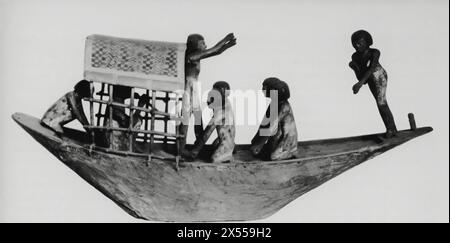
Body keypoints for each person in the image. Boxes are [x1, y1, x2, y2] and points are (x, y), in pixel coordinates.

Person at [179, 33, 237, 154]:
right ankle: (181, 147)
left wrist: (226, 46)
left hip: (194, 88)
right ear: (195, 45)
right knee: (186, 118)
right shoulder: (192, 56)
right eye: (202, 43)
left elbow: (215, 52)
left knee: (198, 118)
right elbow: (213, 50)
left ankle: (197, 145)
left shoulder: (196, 56)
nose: (205, 45)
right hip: (188, 89)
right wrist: (225, 39)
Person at [349, 30, 398, 138]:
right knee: (380, 103)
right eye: (354, 43)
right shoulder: (355, 56)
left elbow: (371, 69)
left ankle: (391, 129)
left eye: (360, 43)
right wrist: (355, 68)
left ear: (367, 42)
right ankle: (392, 128)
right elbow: (363, 77)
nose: (357, 45)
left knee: (381, 102)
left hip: (379, 76)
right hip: (368, 79)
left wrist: (360, 84)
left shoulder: (374, 52)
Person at [182, 81, 235, 163]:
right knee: (212, 146)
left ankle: (228, 156)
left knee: (214, 159)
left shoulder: (221, 112)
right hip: (225, 139)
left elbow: (207, 133)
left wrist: (194, 152)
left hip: (226, 143)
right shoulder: (226, 102)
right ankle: (228, 149)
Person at [250, 77, 298, 160]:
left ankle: (290, 153)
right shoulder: (274, 104)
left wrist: (259, 144)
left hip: (286, 139)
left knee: (273, 157)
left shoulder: (284, 107)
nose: (262, 90)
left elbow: (272, 127)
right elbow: (265, 124)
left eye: (264, 88)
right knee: (261, 148)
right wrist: (255, 140)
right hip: (277, 136)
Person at [100, 85, 150, 151]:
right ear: (122, 91)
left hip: (111, 141)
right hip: (117, 145)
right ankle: (129, 147)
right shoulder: (116, 104)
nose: (130, 90)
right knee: (138, 120)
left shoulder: (113, 101)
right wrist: (140, 106)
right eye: (128, 88)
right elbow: (129, 124)